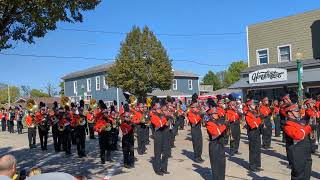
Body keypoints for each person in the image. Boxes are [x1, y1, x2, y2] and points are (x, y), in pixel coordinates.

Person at [284, 103, 313, 180]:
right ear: (290, 113)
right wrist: (309, 127)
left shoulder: (299, 122)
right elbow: (299, 135)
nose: (298, 112)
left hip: (305, 153)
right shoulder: (288, 125)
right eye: (296, 111)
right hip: (297, 156)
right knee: (298, 176)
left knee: (306, 175)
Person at [205, 99, 227, 180]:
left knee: (222, 164)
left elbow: (222, 130)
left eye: (216, 112)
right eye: (214, 113)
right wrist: (224, 125)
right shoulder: (209, 123)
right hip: (214, 146)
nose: (216, 114)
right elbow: (216, 132)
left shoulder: (218, 121)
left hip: (220, 144)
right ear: (210, 114)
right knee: (216, 166)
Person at [150, 98, 170, 176]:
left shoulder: (162, 115)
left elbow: (167, 123)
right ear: (154, 109)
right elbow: (160, 124)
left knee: (166, 152)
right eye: (158, 108)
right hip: (158, 135)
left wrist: (168, 118)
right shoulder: (153, 117)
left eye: (159, 108)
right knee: (158, 153)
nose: (159, 109)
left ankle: (164, 168)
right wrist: (166, 118)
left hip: (164, 135)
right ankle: (158, 169)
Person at [244, 99, 263, 172]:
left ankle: (258, 165)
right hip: (252, 133)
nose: (254, 106)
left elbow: (258, 122)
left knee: (258, 149)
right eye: (253, 104)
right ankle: (252, 166)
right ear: (249, 106)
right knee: (253, 150)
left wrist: (258, 118)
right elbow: (253, 125)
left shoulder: (255, 112)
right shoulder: (248, 114)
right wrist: (258, 118)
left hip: (257, 132)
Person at [187, 93, 204, 163]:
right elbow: (194, 122)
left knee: (200, 143)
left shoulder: (197, 112)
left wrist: (200, 110)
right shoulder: (190, 113)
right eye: (194, 107)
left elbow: (203, 113)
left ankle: (199, 156)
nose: (196, 108)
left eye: (196, 107)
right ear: (191, 107)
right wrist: (199, 115)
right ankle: (196, 157)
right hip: (194, 129)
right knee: (196, 143)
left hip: (198, 129)